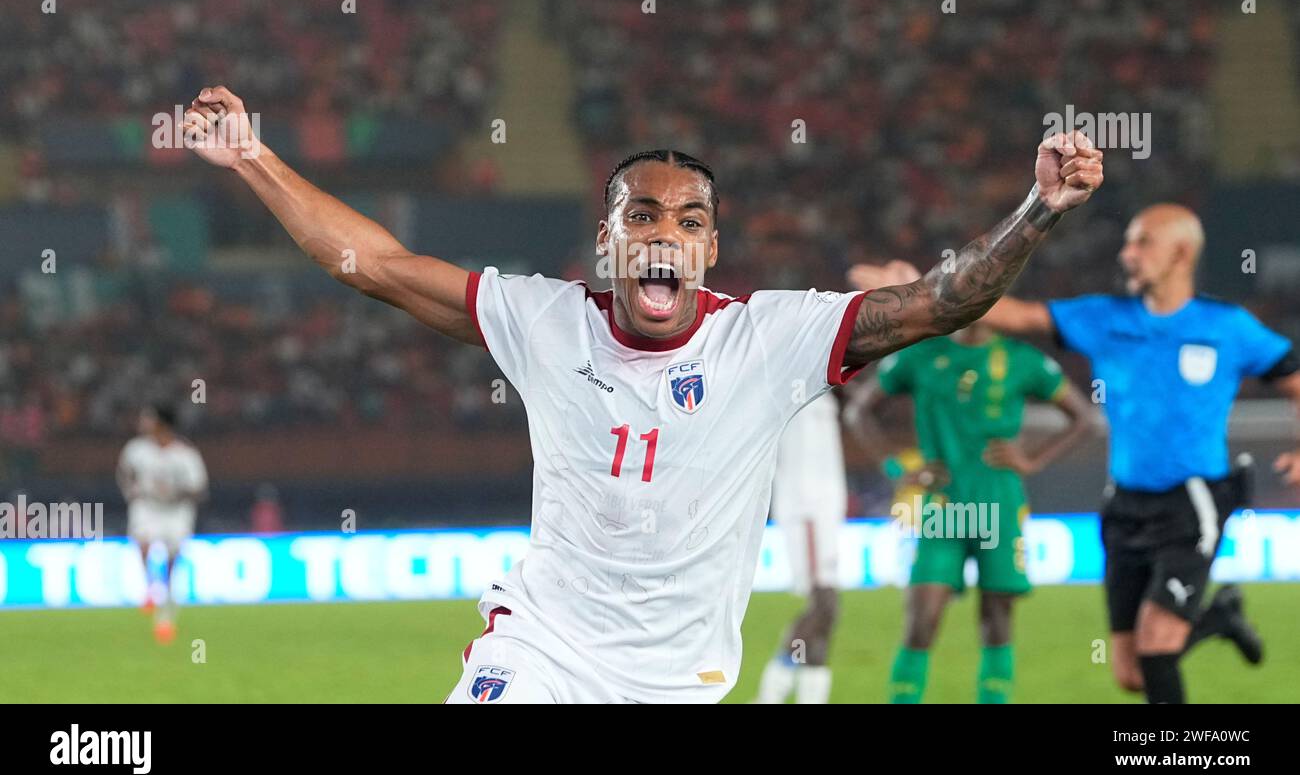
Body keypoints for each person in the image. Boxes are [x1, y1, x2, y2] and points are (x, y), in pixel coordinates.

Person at [183, 85, 1103, 703]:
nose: (666, 233)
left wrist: (1037, 210)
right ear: (607, 240)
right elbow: (376, 264)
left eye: (690, 220)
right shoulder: (542, 319)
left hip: (679, 679)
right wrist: (253, 158)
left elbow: (942, 302)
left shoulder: (770, 337)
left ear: (709, 251)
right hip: (539, 652)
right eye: (643, 215)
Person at [858, 204, 1300, 703]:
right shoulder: (1103, 318)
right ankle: (1219, 619)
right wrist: (922, 289)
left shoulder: (1228, 327)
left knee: (1155, 647)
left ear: (1180, 253)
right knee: (1131, 672)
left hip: (1193, 501)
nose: (1126, 253)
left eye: (1141, 243)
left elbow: (1295, 381)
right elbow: (1012, 312)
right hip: (1124, 507)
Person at [843, 260, 1093, 703]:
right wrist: (899, 468)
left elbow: (1085, 418)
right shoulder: (921, 354)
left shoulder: (1022, 361)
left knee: (997, 620)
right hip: (942, 508)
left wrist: (1031, 460)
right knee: (922, 620)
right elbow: (858, 410)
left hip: (999, 502)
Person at [754, 390, 847, 704]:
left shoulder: (826, 384)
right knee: (824, 603)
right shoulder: (795, 384)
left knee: (825, 613)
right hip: (806, 504)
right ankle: (772, 694)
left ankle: (803, 695)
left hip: (826, 505)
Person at [117, 404, 208, 644]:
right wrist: (131, 491)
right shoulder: (136, 449)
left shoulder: (186, 454)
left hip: (176, 511)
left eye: (149, 420)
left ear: (162, 424)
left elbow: (200, 489)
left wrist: (175, 493)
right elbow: (124, 471)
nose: (143, 424)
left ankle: (164, 600)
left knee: (171, 558)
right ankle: (150, 585)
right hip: (147, 506)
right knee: (143, 543)